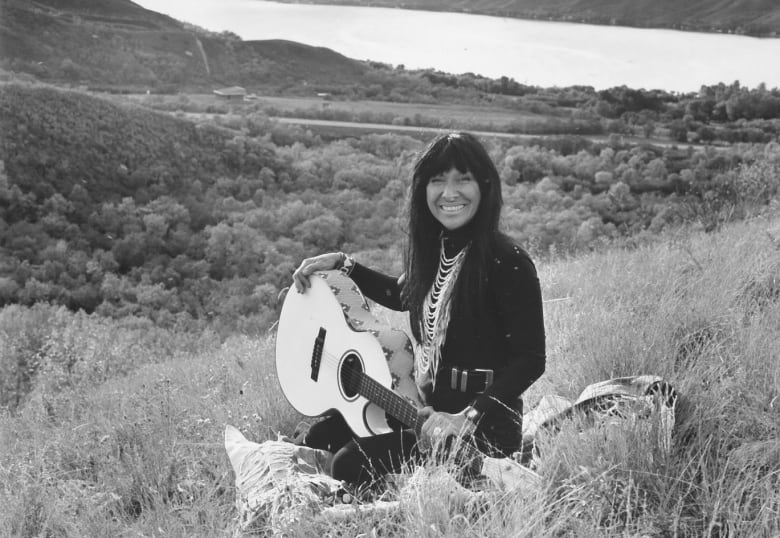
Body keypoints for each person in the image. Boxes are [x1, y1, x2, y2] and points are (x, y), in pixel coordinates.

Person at [290, 131, 546, 491]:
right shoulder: (439, 250)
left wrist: (465, 417)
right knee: (321, 435)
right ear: (423, 189)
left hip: (479, 431)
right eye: (438, 180)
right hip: (423, 407)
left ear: (485, 186)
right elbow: (405, 295)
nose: (450, 193)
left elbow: (531, 360)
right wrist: (344, 265)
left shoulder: (508, 262)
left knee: (349, 463)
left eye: (463, 179)